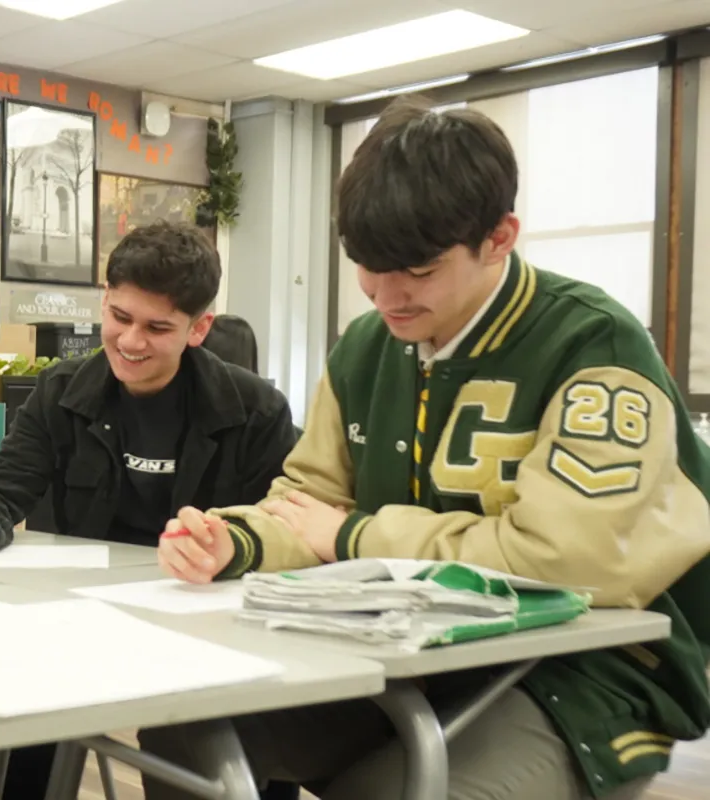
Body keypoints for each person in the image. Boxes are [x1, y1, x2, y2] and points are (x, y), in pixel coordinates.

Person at [154, 99, 710, 799]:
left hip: (583, 672)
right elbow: (310, 501)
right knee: (184, 731)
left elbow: (571, 564)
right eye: (366, 265)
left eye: (417, 269)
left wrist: (356, 536)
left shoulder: (593, 343)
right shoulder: (366, 346)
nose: (387, 297)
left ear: (500, 237)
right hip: (403, 646)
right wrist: (236, 541)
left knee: (393, 789)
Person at [0, 220, 298, 800]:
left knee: (237, 747)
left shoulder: (255, 412)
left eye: (157, 327)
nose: (129, 341)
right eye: (120, 317)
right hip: (78, 626)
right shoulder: (62, 391)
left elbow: (286, 525)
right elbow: (7, 483)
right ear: (105, 301)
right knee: (9, 733)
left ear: (200, 328)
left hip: (207, 629)